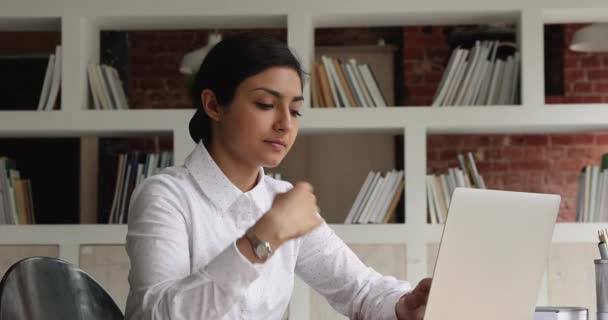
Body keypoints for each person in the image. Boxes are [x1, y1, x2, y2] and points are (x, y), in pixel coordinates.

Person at [124, 32, 431, 320]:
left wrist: (405, 305)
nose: (285, 123)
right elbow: (156, 314)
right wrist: (265, 235)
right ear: (214, 105)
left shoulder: (280, 197)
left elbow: (359, 288)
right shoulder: (166, 196)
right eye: (266, 104)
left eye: (295, 111)